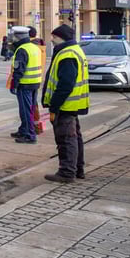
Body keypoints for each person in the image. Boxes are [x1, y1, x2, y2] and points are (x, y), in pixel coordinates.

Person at [42, 24, 89, 183]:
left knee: (66, 139)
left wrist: (54, 106)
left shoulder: (67, 54)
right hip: (73, 104)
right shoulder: (75, 51)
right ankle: (77, 169)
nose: (52, 40)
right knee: (74, 138)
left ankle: (67, 172)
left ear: (60, 38)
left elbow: (65, 84)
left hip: (65, 105)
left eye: (54, 37)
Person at [9, 26, 41, 144]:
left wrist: (14, 84)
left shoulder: (22, 49)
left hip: (25, 84)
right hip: (35, 83)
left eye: (14, 36)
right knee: (30, 108)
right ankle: (23, 130)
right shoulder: (34, 47)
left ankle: (29, 135)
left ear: (18, 37)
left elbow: (19, 69)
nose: (12, 39)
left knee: (25, 110)